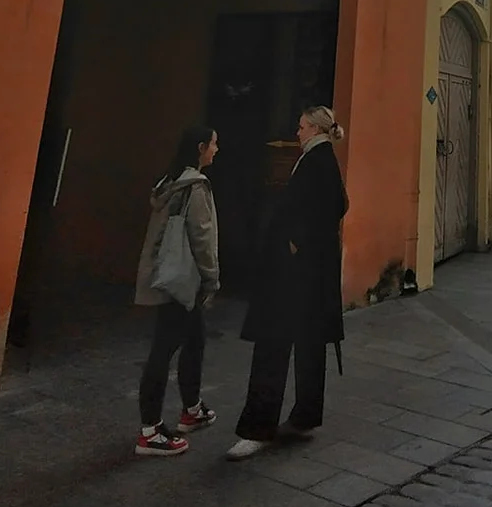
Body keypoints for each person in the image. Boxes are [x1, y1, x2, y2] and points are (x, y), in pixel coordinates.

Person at [228, 106, 349, 461]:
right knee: (309, 344)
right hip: (309, 275)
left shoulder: (317, 161)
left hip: (294, 274)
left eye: (301, 126)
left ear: (315, 129)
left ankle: (257, 428)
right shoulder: (320, 159)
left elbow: (333, 206)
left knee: (273, 344)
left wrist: (297, 243)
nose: (297, 132)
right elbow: (337, 204)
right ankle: (305, 416)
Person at [133, 126, 222, 456]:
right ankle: (150, 430)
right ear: (200, 148)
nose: (216, 149)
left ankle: (192, 409)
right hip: (182, 281)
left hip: (166, 274)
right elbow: (202, 238)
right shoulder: (195, 187)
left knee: (195, 339)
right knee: (163, 348)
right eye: (213, 144)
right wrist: (211, 279)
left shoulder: (168, 183)